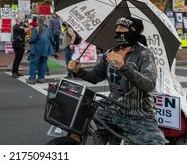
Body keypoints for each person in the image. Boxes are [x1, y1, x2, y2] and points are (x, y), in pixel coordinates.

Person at [68, 16, 167, 145]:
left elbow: (149, 84)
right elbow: (94, 77)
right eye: (116, 27)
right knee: (78, 120)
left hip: (138, 113)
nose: (117, 30)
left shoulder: (144, 54)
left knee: (156, 144)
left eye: (122, 27)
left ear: (132, 31)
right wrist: (78, 71)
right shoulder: (110, 52)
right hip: (112, 108)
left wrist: (124, 67)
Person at [26, 16, 54, 84]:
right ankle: (41, 78)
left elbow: (33, 39)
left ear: (38, 22)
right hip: (45, 49)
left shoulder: (36, 29)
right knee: (43, 64)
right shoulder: (48, 29)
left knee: (33, 64)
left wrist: (28, 39)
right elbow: (52, 40)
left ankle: (32, 78)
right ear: (44, 22)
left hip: (36, 49)